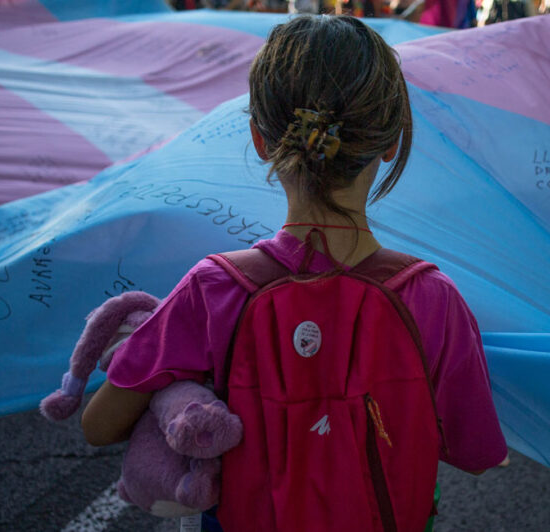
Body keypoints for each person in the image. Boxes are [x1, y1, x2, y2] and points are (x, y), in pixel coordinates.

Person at [81, 14, 508, 530]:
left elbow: (99, 424)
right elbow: (477, 450)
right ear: (391, 142)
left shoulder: (213, 288)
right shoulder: (433, 298)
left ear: (261, 140)